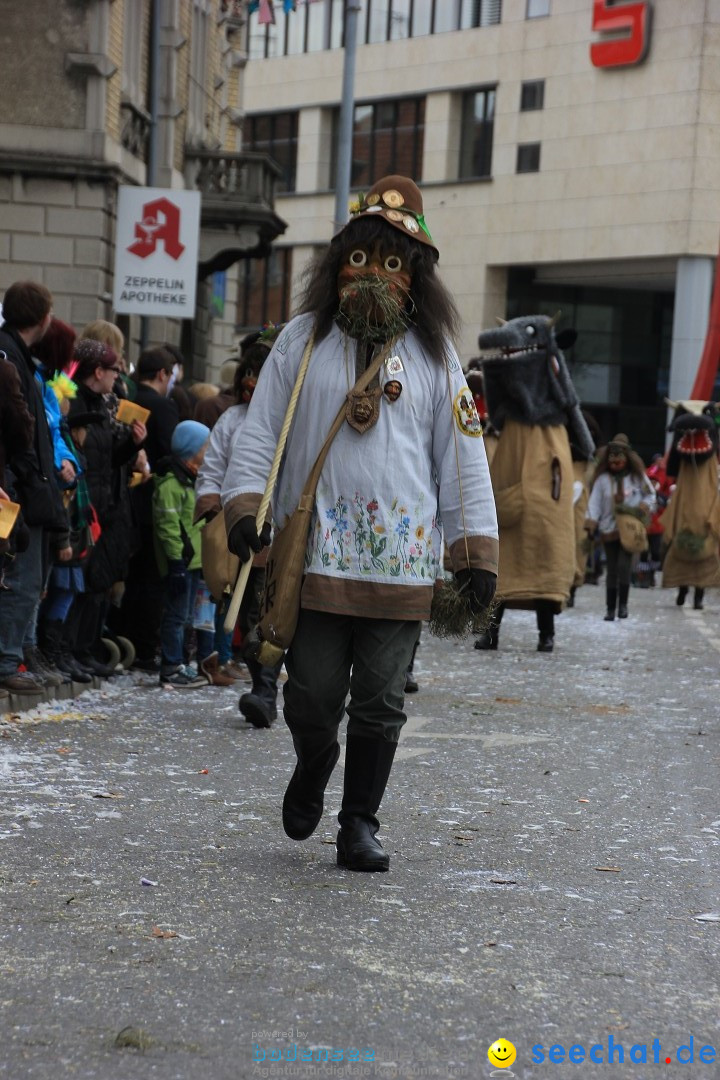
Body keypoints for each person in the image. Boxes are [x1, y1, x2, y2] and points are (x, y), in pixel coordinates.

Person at [222, 175, 498, 871]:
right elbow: (260, 436)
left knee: (380, 700)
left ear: (416, 278)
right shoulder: (300, 342)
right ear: (338, 265)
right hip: (313, 560)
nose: (375, 275)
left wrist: (474, 552)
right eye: (362, 259)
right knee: (311, 696)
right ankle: (314, 762)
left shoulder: (436, 359)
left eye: (394, 263)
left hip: (400, 565)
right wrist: (246, 506)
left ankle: (359, 823)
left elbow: (462, 458)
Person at [473, 316, 595, 652]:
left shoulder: (554, 386)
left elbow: (576, 419)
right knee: (505, 560)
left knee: (545, 555)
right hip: (514, 461)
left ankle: (546, 633)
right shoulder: (509, 402)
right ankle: (491, 630)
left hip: (548, 475)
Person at [195, 326, 284, 722]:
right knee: (253, 615)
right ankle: (263, 690)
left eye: (259, 372)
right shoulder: (232, 419)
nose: (250, 381)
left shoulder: (295, 418)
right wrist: (217, 510)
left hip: (289, 535)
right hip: (247, 537)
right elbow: (213, 469)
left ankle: (286, 688)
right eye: (247, 372)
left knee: (282, 616)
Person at [0, 281, 69, 695]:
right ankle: (8, 659)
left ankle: (19, 654)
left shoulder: (20, 359)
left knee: (29, 582)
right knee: (20, 580)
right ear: (43, 318)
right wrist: (34, 480)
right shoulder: (11, 358)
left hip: (23, 484)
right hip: (19, 487)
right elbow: (21, 430)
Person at [67, 339, 145, 675]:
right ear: (98, 371)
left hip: (104, 506)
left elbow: (110, 458)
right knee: (75, 583)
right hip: (84, 507)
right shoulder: (74, 403)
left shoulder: (102, 405)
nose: (119, 376)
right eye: (115, 369)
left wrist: (132, 443)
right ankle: (69, 650)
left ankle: (85, 650)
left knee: (97, 581)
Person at [153, 420, 234, 688]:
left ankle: (182, 663)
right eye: (205, 445)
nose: (209, 449)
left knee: (188, 616)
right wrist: (176, 559)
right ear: (192, 449)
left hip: (194, 561)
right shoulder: (171, 483)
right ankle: (170, 665)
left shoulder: (192, 479)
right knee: (176, 616)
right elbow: (168, 527)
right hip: (181, 562)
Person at [115, 346, 180, 671]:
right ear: (162, 374)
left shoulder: (128, 400)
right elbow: (172, 452)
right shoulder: (162, 407)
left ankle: (126, 636)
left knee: (134, 576)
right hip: (155, 500)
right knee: (151, 578)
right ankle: (142, 646)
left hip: (127, 499)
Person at [584, 433, 656, 620]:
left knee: (624, 566)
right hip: (608, 529)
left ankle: (623, 605)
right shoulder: (602, 480)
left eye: (620, 455)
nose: (616, 460)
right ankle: (610, 609)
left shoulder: (637, 477)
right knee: (612, 569)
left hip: (629, 529)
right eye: (612, 456)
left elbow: (651, 495)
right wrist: (591, 524)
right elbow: (594, 503)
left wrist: (643, 507)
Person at [660, 408, 720, 609]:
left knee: (704, 558)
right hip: (688, 512)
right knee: (683, 554)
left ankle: (698, 595)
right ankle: (683, 588)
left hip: (703, 514)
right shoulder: (685, 457)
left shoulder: (711, 458)